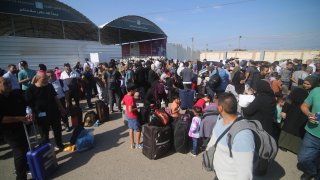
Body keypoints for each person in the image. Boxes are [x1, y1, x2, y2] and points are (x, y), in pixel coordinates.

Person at [206, 92, 255, 180]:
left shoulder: (243, 135)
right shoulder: (220, 120)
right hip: (219, 174)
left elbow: (245, 173)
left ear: (220, 108)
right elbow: (213, 141)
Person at [25, 71, 66, 151]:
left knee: (57, 130)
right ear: (37, 79)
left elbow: (55, 97)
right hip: (41, 115)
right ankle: (47, 150)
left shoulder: (49, 86)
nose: (47, 80)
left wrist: (61, 108)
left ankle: (59, 145)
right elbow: (27, 104)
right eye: (44, 79)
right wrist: (30, 113)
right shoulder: (30, 89)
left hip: (53, 112)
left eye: (47, 78)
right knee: (44, 134)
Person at [0, 77, 32, 180]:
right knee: (20, 152)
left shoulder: (15, 94)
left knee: (26, 148)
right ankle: (21, 177)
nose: (9, 85)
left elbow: (26, 104)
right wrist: (20, 118)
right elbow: (2, 119)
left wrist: (29, 113)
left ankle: (26, 167)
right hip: (9, 132)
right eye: (5, 83)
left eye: (9, 83)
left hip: (22, 127)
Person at [278, 76, 318, 154]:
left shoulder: (314, 93)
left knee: (299, 130)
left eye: (308, 84)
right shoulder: (297, 90)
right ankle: (283, 145)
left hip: (304, 115)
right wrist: (284, 111)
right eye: (305, 83)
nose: (305, 85)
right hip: (292, 112)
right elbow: (289, 101)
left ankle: (295, 148)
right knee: (288, 127)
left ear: (313, 84)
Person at [298, 79, 320, 180]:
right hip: (312, 133)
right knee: (303, 159)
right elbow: (304, 105)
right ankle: (312, 171)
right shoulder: (316, 91)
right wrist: (309, 114)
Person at [121, 83, 142, 149]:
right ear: (131, 90)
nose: (135, 91)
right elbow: (130, 109)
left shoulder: (125, 96)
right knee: (138, 130)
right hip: (133, 116)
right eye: (135, 90)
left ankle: (132, 144)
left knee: (131, 129)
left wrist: (127, 104)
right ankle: (138, 144)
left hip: (128, 116)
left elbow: (122, 102)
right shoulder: (131, 98)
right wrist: (137, 108)